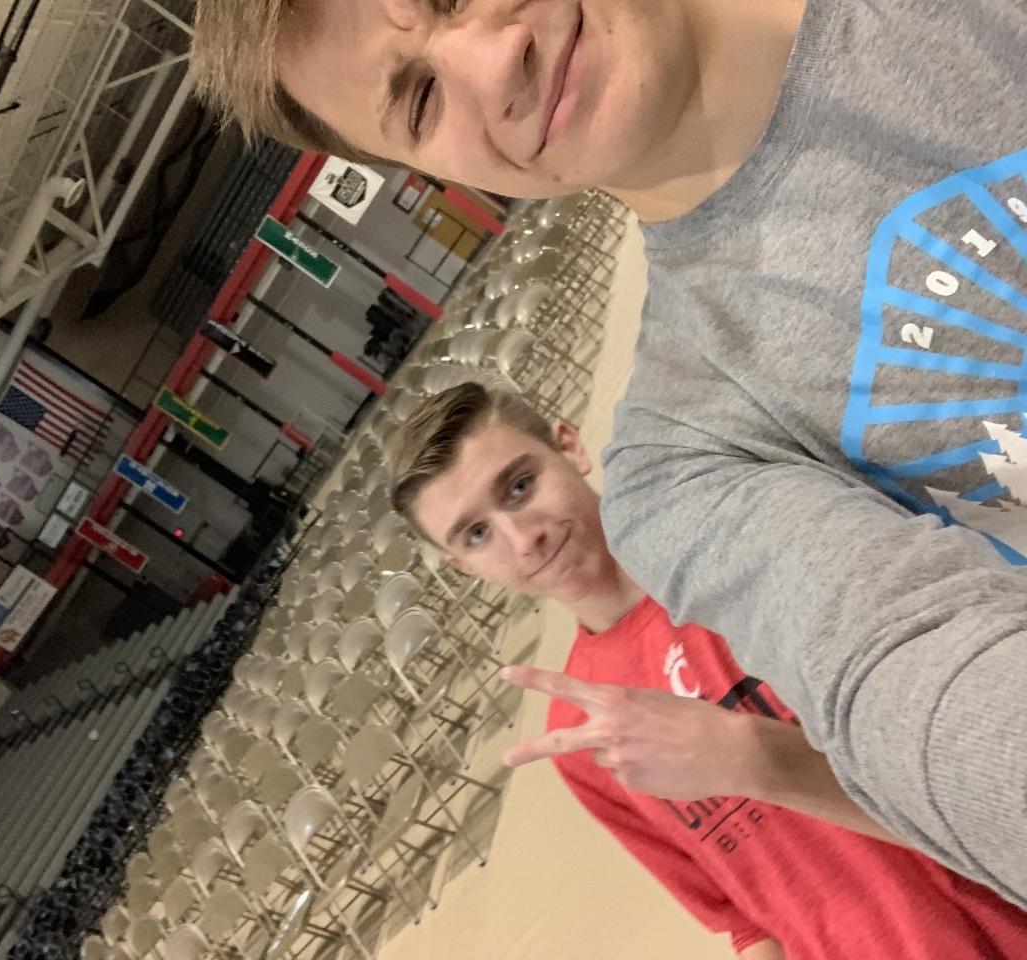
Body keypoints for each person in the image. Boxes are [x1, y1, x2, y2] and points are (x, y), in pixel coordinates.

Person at [191, 0, 1027, 903]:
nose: (492, 65)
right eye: (421, 99)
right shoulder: (688, 468)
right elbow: (907, 680)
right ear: (424, 172)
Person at [385, 381, 1027, 958]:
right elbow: (745, 916)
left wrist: (748, 756)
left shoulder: (749, 556)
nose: (523, 538)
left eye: (520, 486)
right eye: (476, 535)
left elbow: (977, 771)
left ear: (570, 448)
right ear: (463, 567)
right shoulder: (581, 732)